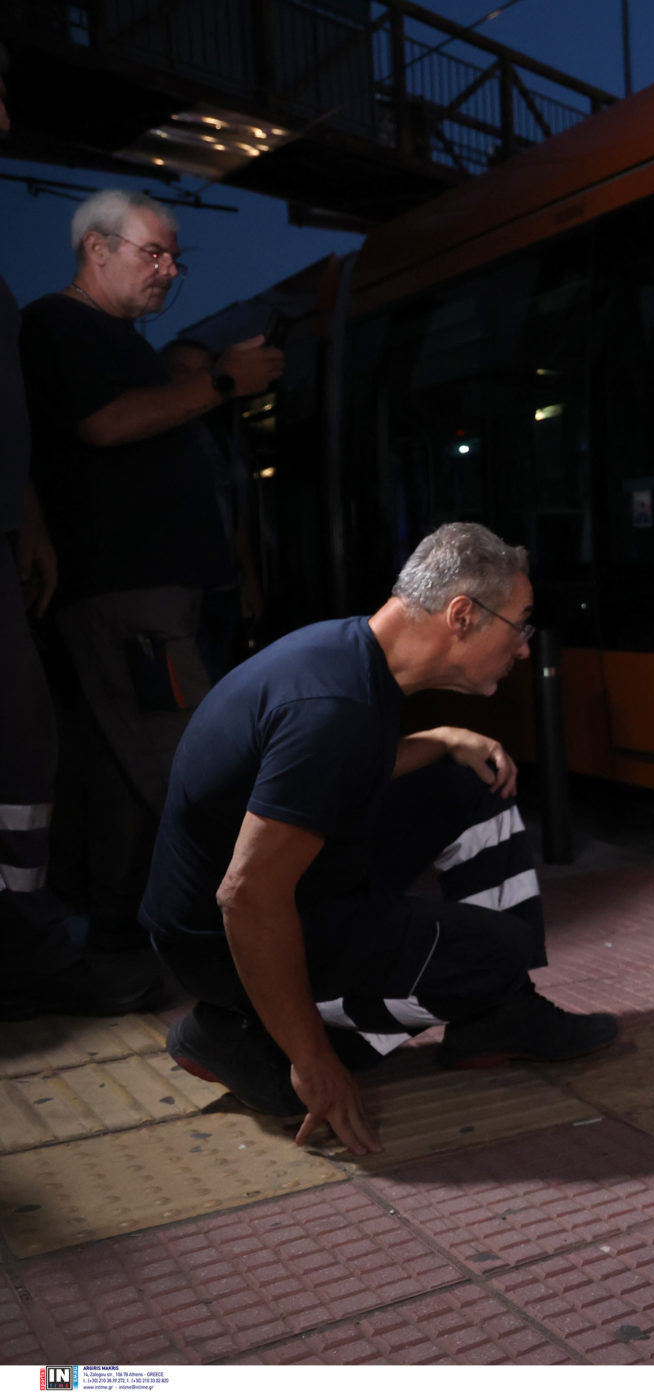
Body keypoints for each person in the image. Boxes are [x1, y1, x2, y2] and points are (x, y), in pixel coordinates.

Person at [142, 523, 619, 1154]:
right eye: (520, 624)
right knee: (493, 953)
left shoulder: (346, 652)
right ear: (462, 615)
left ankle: (502, 1014)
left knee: (472, 782)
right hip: (226, 939)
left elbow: (320, 778)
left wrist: (444, 738)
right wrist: (314, 1063)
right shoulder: (332, 708)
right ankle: (245, 1032)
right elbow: (247, 898)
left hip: (269, 892)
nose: (526, 648)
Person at [18, 189, 282, 965]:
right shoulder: (58, 325)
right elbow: (104, 424)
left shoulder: (117, 337)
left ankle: (122, 934)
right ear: (96, 250)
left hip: (153, 593)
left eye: (175, 258)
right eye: (152, 253)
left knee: (121, 768)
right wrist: (224, 382)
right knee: (189, 762)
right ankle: (243, 941)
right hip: (127, 595)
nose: (169, 270)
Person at [0, 46, 155, 1017]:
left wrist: (26, 518)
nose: (9, 113)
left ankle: (23, 943)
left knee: (25, 750)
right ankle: (30, 952)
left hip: (3, 537)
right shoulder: (63, 324)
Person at [160, 337, 263, 680]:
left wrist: (247, 580)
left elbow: (235, 512)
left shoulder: (221, 436)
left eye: (204, 372)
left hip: (221, 586)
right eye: (181, 371)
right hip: (175, 589)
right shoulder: (152, 434)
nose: (194, 380)